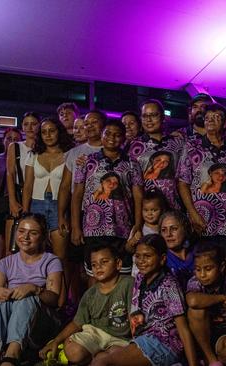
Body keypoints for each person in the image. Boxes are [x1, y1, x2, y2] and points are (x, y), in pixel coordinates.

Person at [91, 234, 198, 366]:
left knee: (103, 362)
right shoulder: (139, 278)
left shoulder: (169, 285)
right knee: (101, 356)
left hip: (163, 344)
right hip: (143, 339)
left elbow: (182, 328)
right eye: (138, 256)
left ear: (162, 259)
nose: (141, 261)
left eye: (147, 256)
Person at [0, 213, 63, 366]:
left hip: (40, 324)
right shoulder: (3, 264)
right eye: (21, 231)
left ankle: (12, 355)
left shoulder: (51, 261)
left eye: (33, 233)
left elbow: (54, 300)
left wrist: (34, 289)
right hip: (12, 322)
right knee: (0, 300)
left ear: (42, 237)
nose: (25, 237)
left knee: (26, 299)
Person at [39, 244, 133, 365]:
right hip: (95, 333)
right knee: (74, 352)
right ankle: (76, 349)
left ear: (118, 264)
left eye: (104, 262)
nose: (98, 267)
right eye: (94, 265)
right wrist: (56, 341)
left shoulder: (128, 284)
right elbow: (77, 322)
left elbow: (135, 317)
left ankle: (99, 356)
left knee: (116, 356)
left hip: (120, 339)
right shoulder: (90, 294)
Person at [71, 119, 143, 276]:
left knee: (122, 272)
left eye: (118, 135)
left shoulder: (132, 164)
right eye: (108, 133)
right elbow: (77, 194)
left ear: (124, 138)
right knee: (95, 273)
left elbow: (138, 195)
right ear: (101, 135)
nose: (112, 138)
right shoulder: (86, 161)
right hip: (93, 228)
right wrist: (75, 226)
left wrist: (138, 224)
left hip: (122, 227)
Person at [178, 103, 226, 272]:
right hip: (204, 220)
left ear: (225, 123)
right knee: (205, 265)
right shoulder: (192, 147)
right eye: (208, 118)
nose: (211, 120)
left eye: (216, 117)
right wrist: (193, 214)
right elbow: (183, 183)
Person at [22, 117, 74, 306]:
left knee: (60, 259)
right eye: (44, 132)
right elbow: (27, 186)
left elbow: (69, 187)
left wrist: (63, 214)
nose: (48, 135)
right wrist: (25, 215)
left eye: (52, 130)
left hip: (59, 207)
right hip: (36, 206)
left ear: (59, 131)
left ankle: (61, 304)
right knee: (36, 257)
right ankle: (38, 303)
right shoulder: (33, 154)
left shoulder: (70, 154)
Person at [57, 110, 106, 302]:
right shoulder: (74, 154)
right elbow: (64, 188)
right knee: (75, 264)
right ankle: (78, 304)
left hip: (106, 215)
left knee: (97, 265)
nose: (90, 126)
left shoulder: (114, 148)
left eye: (95, 122)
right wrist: (62, 216)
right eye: (87, 123)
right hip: (80, 213)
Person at [186, 243, 226, 366]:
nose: (202, 274)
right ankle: (212, 361)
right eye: (198, 269)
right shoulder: (195, 283)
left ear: (221, 267)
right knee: (196, 310)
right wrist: (223, 299)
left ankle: (213, 362)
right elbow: (192, 301)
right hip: (201, 334)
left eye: (208, 269)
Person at [128, 99, 185, 210]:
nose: (149, 120)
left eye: (153, 115)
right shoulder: (133, 146)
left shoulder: (178, 142)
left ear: (163, 117)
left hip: (175, 208)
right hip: (148, 210)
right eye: (145, 116)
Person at [6, 112, 40, 254]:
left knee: (34, 244)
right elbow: (10, 174)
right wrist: (12, 201)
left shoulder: (44, 148)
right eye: (26, 124)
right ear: (22, 127)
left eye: (33, 124)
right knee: (12, 244)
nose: (30, 127)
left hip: (38, 195)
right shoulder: (15, 147)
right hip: (19, 195)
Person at [0, 128, 22, 267]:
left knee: (9, 246)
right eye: (9, 138)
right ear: (3, 140)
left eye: (16, 139)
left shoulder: (22, 159)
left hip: (14, 202)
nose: (12, 142)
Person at [160, 210, 195, 291]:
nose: (168, 234)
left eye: (174, 229)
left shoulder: (198, 253)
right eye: (164, 230)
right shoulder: (161, 259)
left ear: (185, 230)